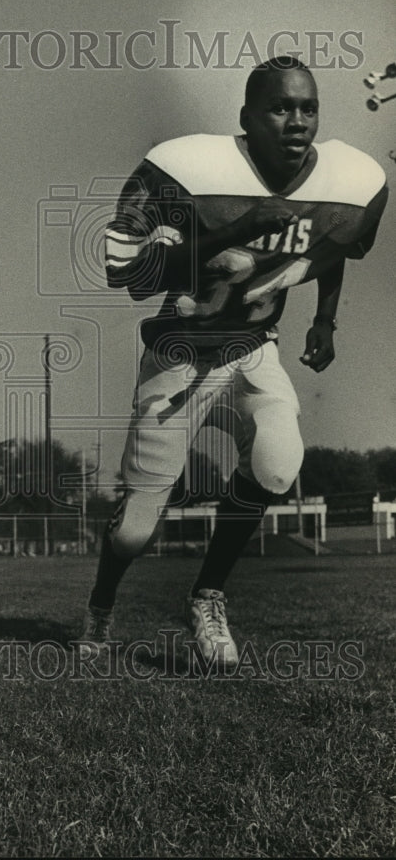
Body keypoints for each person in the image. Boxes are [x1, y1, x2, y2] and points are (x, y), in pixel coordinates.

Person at [83, 57, 388, 665]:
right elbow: (125, 272)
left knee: (280, 461)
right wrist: (237, 228)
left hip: (253, 351)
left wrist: (325, 319)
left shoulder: (345, 180)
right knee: (134, 531)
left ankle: (208, 594)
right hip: (178, 357)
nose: (298, 121)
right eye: (281, 108)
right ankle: (101, 603)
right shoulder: (191, 171)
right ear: (246, 118)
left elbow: (334, 244)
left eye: (309, 108)